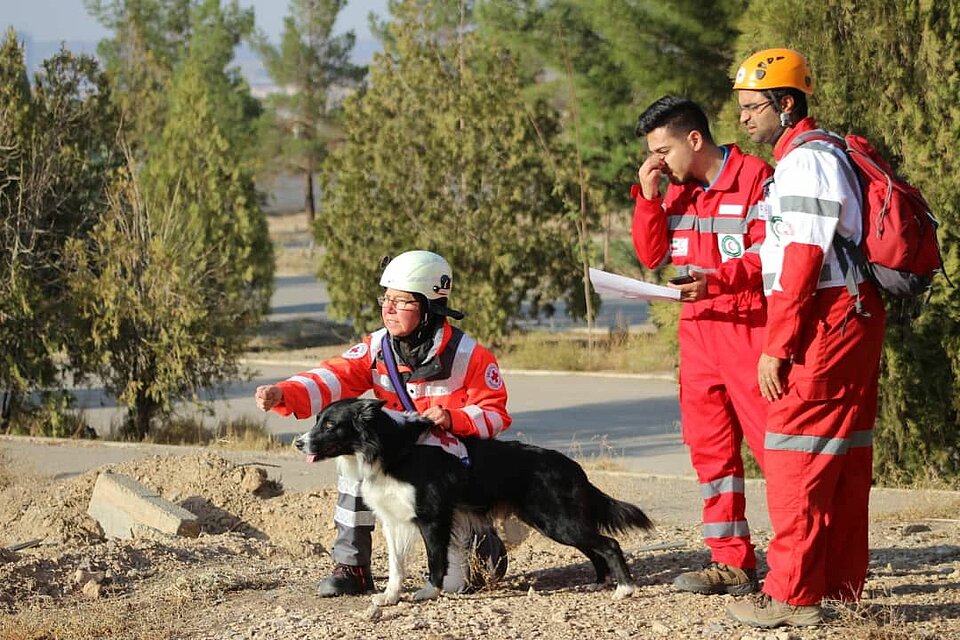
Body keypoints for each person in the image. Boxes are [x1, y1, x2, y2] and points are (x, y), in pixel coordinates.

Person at [724, 48, 887, 628]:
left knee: (796, 456)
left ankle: (791, 595)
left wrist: (777, 344)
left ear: (786, 104)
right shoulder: (819, 155)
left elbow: (801, 258)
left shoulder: (804, 162)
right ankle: (838, 589)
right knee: (842, 459)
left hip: (825, 320)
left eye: (753, 107)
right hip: (849, 317)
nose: (744, 119)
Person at [255, 250, 511, 597]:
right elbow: (334, 377)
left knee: (467, 581)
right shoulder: (377, 348)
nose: (387, 309)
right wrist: (285, 393)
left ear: (429, 308)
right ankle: (352, 566)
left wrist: (455, 418)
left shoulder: (470, 355)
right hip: (398, 459)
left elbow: (495, 414)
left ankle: (487, 544)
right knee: (353, 462)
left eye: (401, 301)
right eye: (385, 299)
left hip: (450, 469)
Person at [631, 96, 773, 596]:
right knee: (712, 460)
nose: (658, 162)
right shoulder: (677, 193)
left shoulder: (757, 177)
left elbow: (775, 254)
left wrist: (717, 281)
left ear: (694, 139)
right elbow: (651, 255)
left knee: (776, 454)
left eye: (663, 151)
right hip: (699, 342)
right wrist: (649, 197)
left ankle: (805, 565)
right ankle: (731, 561)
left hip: (752, 335)